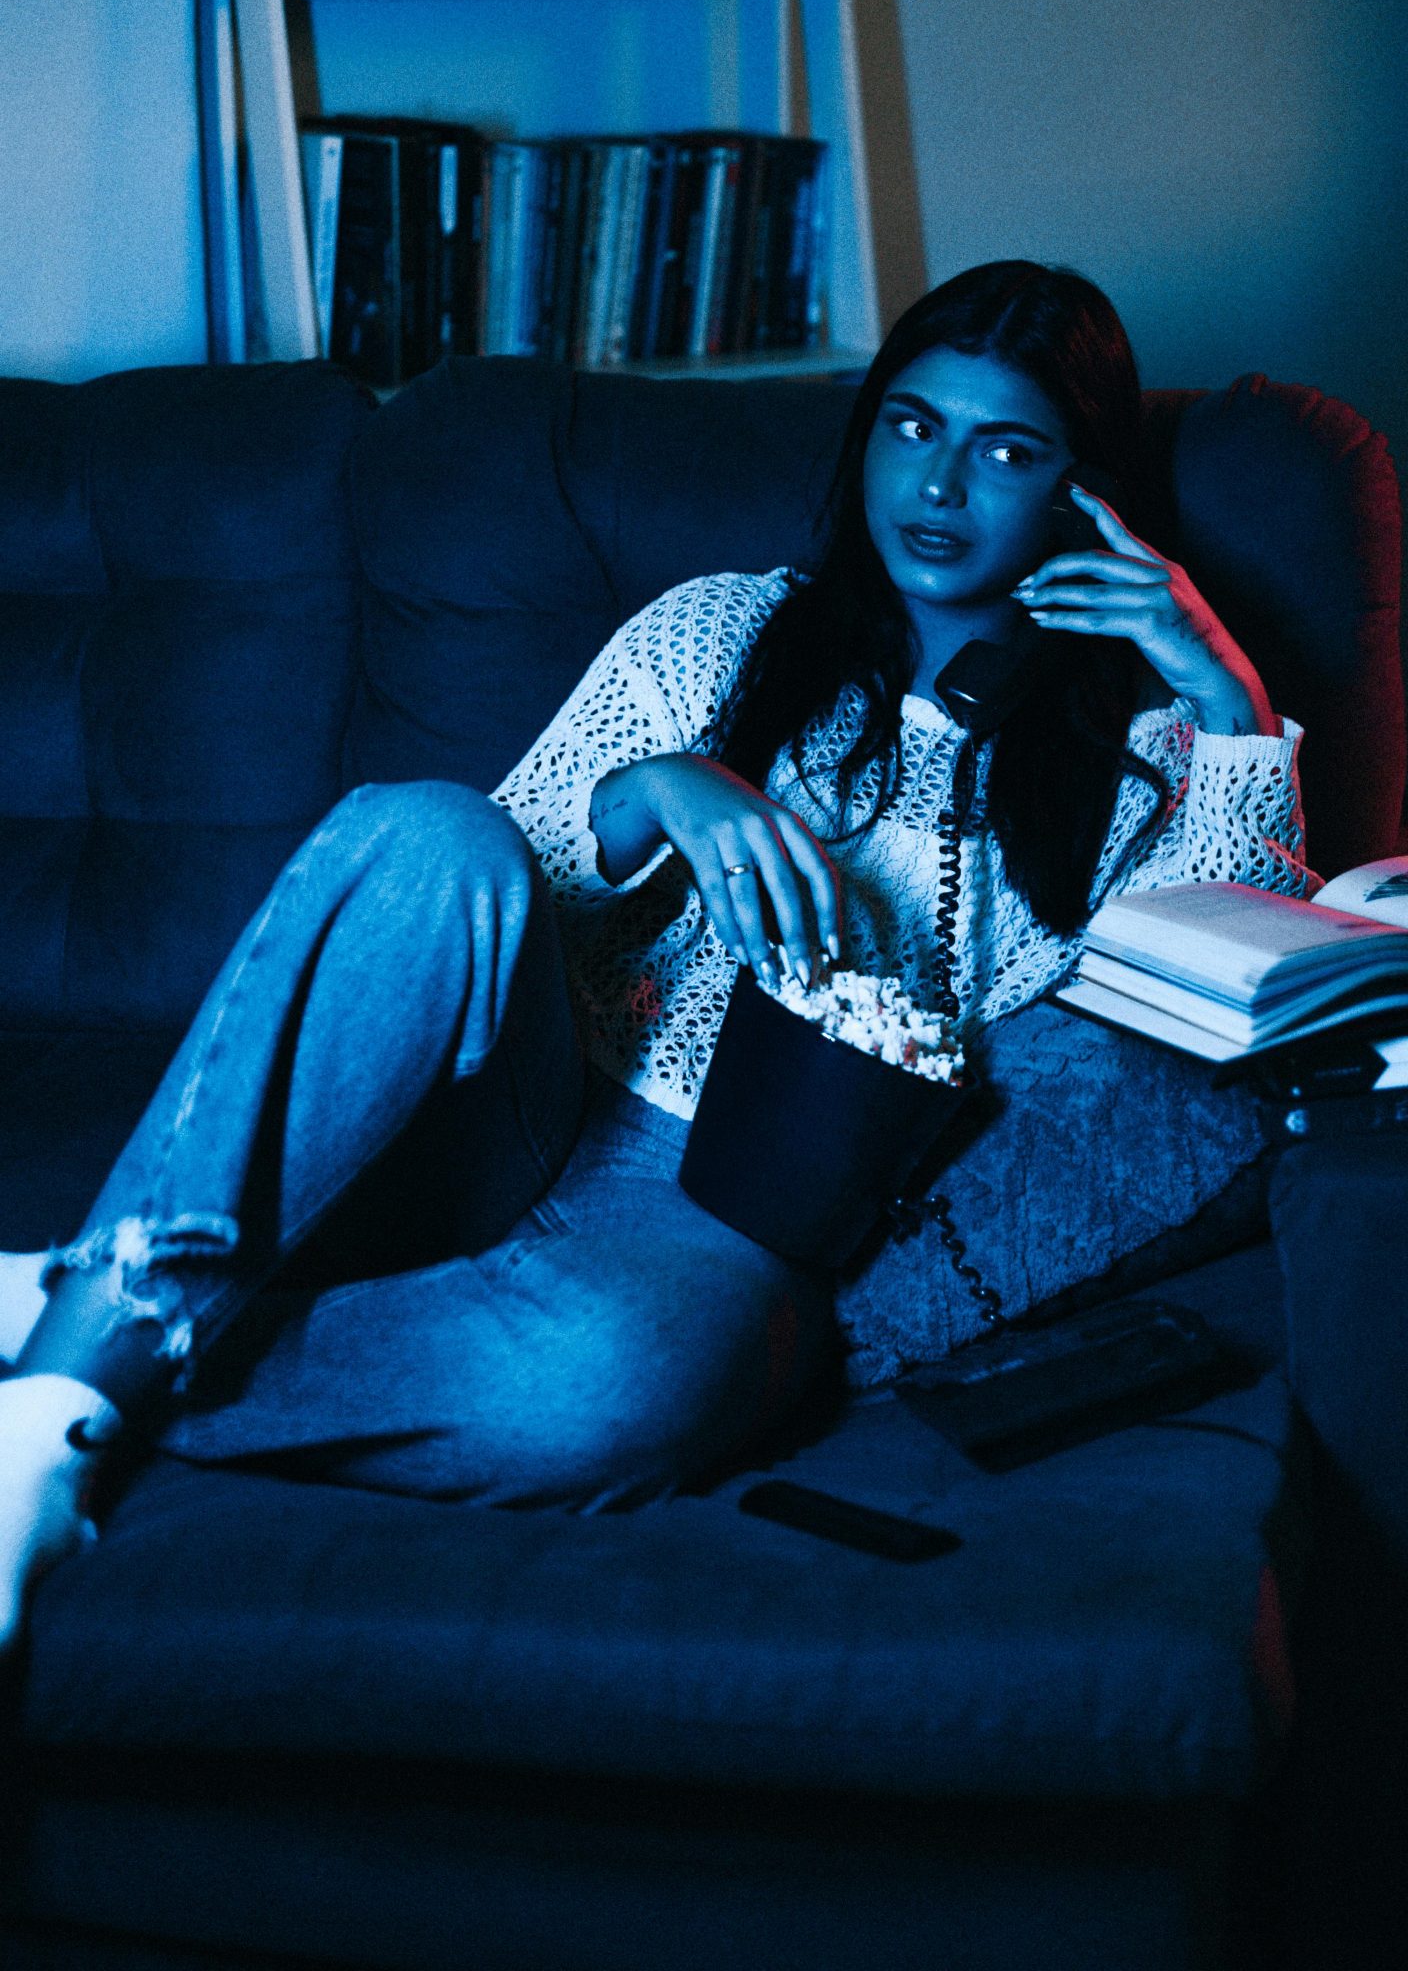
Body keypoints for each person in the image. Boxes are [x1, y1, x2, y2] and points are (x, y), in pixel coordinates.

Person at [0, 260, 1308, 1645]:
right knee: (426, 829)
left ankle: (79, 1328)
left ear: (1083, 494)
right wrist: (657, 788)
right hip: (513, 1106)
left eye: (1006, 451)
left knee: (623, 1382)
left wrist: (1221, 687)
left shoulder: (1139, 765)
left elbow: (1234, 989)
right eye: (913, 425)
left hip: (713, 1225)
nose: (938, 484)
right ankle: (68, 1390)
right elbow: (477, 892)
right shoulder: (722, 627)